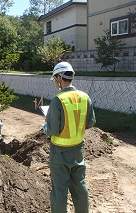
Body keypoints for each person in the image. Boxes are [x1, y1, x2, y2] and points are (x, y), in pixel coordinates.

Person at [43, 62, 96, 213]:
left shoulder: (57, 100)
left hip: (59, 154)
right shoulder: (85, 97)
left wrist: (45, 127)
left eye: (55, 78)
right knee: (80, 187)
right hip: (78, 151)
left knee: (59, 192)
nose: (55, 81)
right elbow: (91, 122)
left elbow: (52, 129)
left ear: (59, 77)